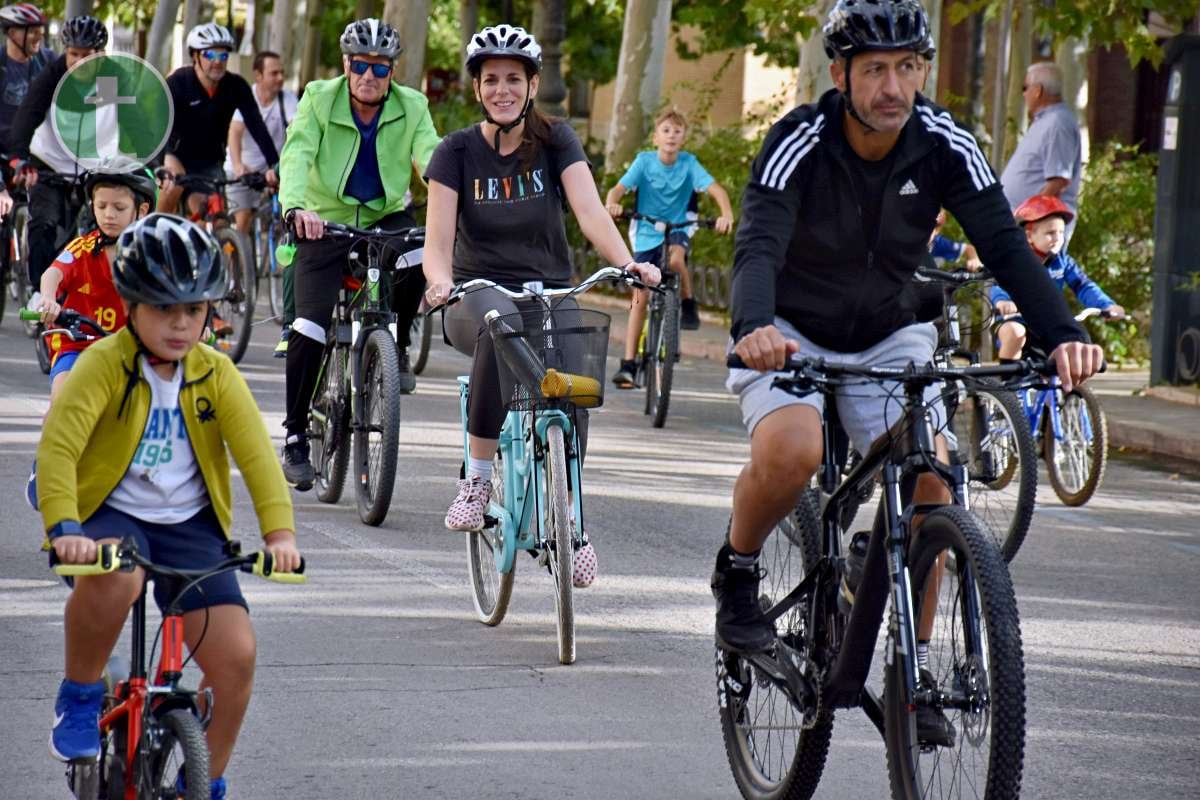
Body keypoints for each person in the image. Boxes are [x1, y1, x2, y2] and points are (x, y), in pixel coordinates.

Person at [715, 0, 1103, 748]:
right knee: (793, 453)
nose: (893, 86)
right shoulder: (800, 139)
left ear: (923, 69)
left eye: (907, 68)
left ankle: (913, 670)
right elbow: (758, 242)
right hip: (790, 331)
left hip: (893, 331)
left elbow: (1006, 245)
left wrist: (1060, 334)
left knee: (933, 477)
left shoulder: (944, 142)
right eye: (874, 70)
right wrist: (753, 327)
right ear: (841, 75)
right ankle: (736, 570)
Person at [36, 214, 300, 800]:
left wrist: (280, 535)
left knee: (236, 657)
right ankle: (80, 694)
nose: (181, 325)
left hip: (189, 526)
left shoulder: (216, 371)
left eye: (195, 310)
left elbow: (257, 457)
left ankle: (200, 781)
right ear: (131, 305)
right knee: (117, 577)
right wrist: (65, 527)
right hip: (111, 513)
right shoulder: (104, 363)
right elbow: (59, 446)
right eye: (164, 309)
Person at [421, 24, 659, 565]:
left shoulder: (556, 140)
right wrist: (440, 281)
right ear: (477, 89)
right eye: (491, 80)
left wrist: (626, 263)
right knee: (498, 322)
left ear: (532, 86)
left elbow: (590, 211)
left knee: (574, 388)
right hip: (476, 293)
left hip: (550, 290)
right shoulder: (454, 152)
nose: (502, 89)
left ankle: (572, 519)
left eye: (513, 79)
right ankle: (477, 480)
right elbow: (437, 241)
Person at [279, 17, 440, 489]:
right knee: (308, 325)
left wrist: (451, 199)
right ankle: (293, 437)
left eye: (381, 68)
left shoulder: (412, 106)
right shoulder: (318, 97)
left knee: (418, 253)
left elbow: (430, 156)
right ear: (347, 65)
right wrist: (296, 207)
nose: (369, 76)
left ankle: (399, 343)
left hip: (381, 218)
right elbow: (298, 153)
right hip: (322, 219)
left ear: (392, 72)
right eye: (361, 65)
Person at [604, 108, 734, 386]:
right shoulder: (644, 162)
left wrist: (726, 214)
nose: (671, 136)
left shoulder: (689, 163)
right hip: (647, 229)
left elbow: (716, 190)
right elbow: (618, 189)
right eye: (666, 131)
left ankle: (687, 303)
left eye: (677, 131)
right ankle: (628, 364)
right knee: (639, 296)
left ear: (683, 138)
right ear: (655, 138)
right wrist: (612, 203)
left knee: (676, 261)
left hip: (679, 226)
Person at [33, 161, 157, 402]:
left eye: (119, 207)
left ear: (141, 210)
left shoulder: (152, 254)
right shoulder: (83, 248)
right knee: (64, 401)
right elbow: (53, 274)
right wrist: (48, 299)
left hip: (130, 351)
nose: (109, 214)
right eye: (101, 206)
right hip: (78, 346)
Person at [7, 15, 109, 289]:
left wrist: (147, 158)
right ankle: (40, 293)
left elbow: (132, 122)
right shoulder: (52, 75)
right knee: (45, 224)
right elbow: (27, 115)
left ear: (101, 55)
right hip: (49, 161)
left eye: (86, 55)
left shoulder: (111, 78)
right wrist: (19, 158)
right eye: (73, 54)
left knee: (102, 228)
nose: (77, 61)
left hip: (92, 165)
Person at [159, 23, 279, 218]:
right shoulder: (178, 83)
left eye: (223, 56)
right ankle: (153, 230)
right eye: (210, 55)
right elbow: (159, 125)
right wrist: (162, 163)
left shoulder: (236, 85)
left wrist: (275, 165)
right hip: (176, 154)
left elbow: (257, 126)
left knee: (214, 217)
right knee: (172, 185)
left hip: (211, 160)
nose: (218, 62)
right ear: (195, 57)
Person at [222, 50, 298, 357]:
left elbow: (295, 131)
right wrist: (239, 166)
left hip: (273, 170)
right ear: (258, 75)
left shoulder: (287, 100)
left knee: (287, 223)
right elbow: (235, 133)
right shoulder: (248, 98)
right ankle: (235, 280)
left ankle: (278, 286)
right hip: (242, 170)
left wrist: (284, 168)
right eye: (274, 73)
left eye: (281, 73)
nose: (279, 78)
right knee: (241, 222)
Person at [993, 194, 1124, 359]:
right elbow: (1000, 283)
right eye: (1050, 233)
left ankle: (1069, 383)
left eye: (1061, 232)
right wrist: (1004, 301)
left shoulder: (1063, 261)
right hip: (1017, 319)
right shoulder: (1018, 260)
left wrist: (1106, 305)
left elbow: (1083, 285)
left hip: (1049, 321)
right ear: (1029, 235)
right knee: (1015, 332)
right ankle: (1009, 379)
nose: (1057, 239)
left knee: (1077, 339)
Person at [1000, 61, 1082, 241]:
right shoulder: (1045, 121)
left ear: (1037, 90)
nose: (1023, 94)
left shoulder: (1058, 123)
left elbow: (1058, 181)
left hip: (1039, 229)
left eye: (1025, 88)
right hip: (1028, 227)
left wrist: (1027, 218)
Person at [0, 2, 51, 153]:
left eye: (41, 32)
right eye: (33, 32)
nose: (39, 37)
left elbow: (82, 72)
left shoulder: (47, 60)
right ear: (12, 33)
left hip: (39, 153)